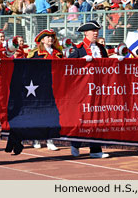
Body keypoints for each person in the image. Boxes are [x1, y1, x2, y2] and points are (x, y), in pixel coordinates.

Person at [68, 21, 109, 159]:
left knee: (97, 119)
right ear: (86, 33)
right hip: (83, 90)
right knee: (82, 118)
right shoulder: (78, 49)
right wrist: (81, 62)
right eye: (93, 30)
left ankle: (95, 149)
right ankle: (75, 143)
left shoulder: (102, 49)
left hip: (99, 89)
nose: (96, 33)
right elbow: (67, 67)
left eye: (97, 30)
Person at [27, 29, 63, 151]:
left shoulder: (59, 53)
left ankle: (50, 139)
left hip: (55, 86)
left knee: (52, 114)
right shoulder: (35, 53)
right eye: (47, 37)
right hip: (39, 87)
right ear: (42, 39)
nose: (50, 39)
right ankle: (36, 138)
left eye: (52, 37)